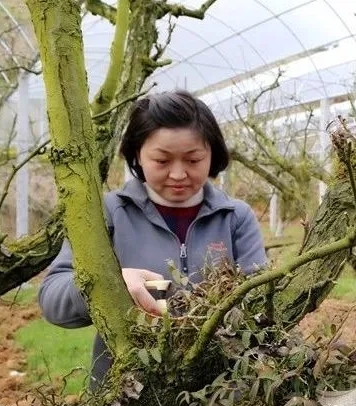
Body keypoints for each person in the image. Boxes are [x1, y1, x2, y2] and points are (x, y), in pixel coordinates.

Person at [38, 90, 267, 389]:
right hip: (125, 394)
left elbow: (263, 302)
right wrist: (110, 282)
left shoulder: (235, 217)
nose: (178, 174)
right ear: (137, 155)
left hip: (221, 394)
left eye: (193, 159)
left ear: (212, 155)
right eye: (161, 160)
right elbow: (52, 299)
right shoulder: (107, 214)